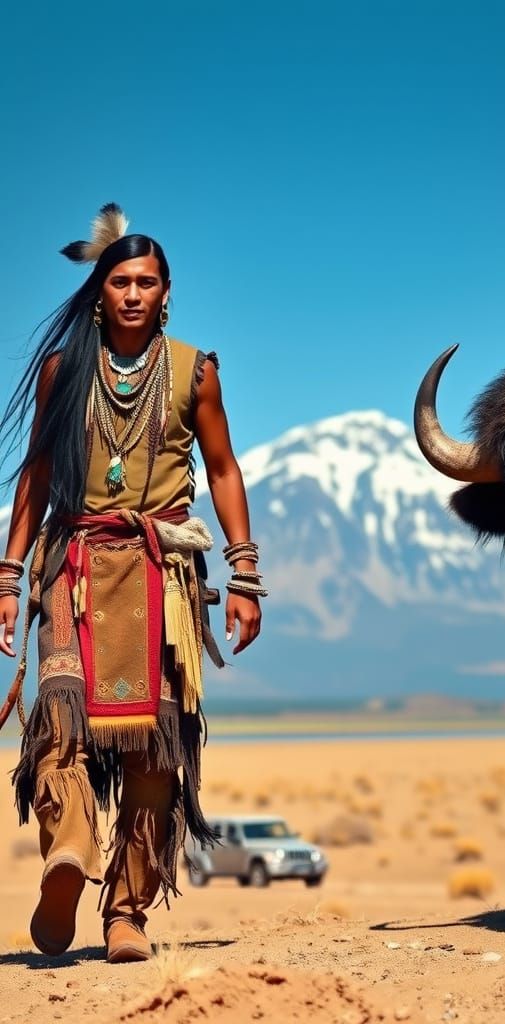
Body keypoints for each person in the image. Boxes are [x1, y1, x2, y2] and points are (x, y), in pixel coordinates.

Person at [0, 203, 266, 963]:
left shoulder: (195, 371)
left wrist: (245, 573)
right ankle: (70, 855)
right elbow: (38, 475)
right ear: (99, 291)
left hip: (162, 576)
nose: (133, 294)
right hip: (74, 565)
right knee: (58, 718)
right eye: (120, 281)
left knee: (155, 753)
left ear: (167, 291)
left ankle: (127, 913)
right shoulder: (64, 370)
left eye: (147, 282)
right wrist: (8, 579)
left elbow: (221, 470)